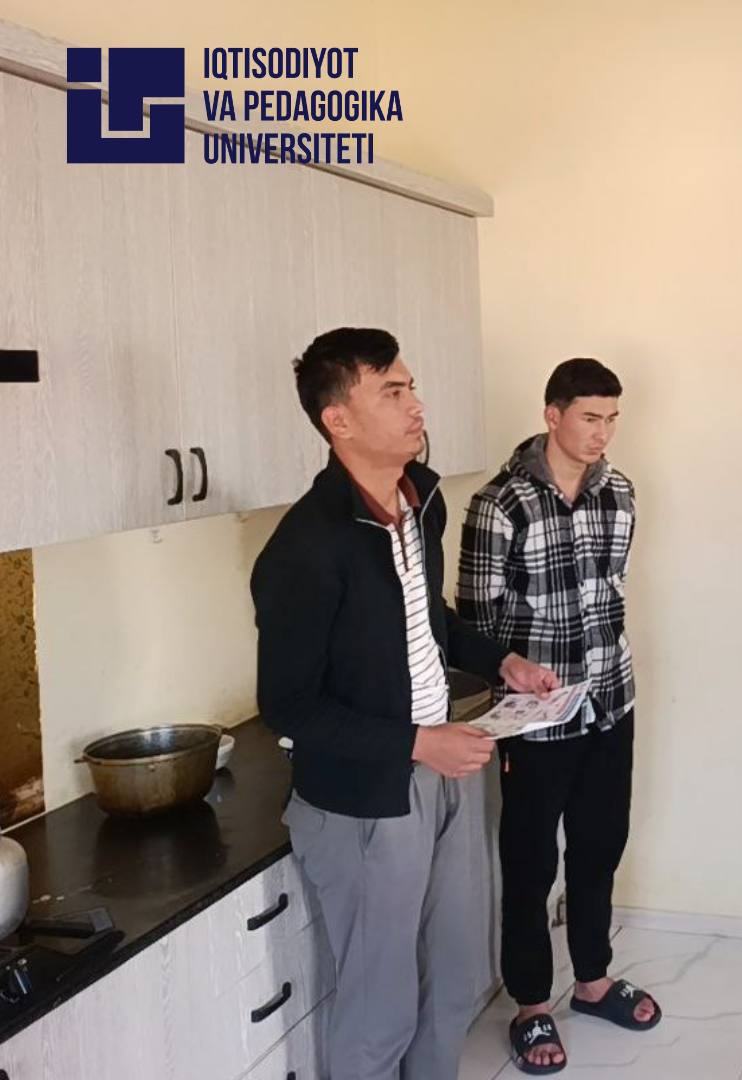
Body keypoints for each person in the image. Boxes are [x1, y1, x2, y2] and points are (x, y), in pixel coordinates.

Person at [251, 327, 559, 1080]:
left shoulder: (421, 503)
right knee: (379, 1007)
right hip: (363, 801)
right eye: (392, 391)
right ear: (338, 419)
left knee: (452, 980)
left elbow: (426, 620)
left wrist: (502, 662)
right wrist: (420, 743)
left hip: (438, 771)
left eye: (411, 386)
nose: (416, 404)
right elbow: (287, 706)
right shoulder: (306, 548)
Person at [457, 357, 656, 1075]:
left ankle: (594, 981)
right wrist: (515, 670)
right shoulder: (499, 504)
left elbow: (611, 595)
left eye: (612, 419)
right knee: (531, 861)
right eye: (589, 417)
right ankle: (532, 1005)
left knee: (600, 848)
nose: (602, 433)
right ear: (552, 415)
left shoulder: (620, 492)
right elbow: (475, 623)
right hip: (536, 720)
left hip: (610, 701)